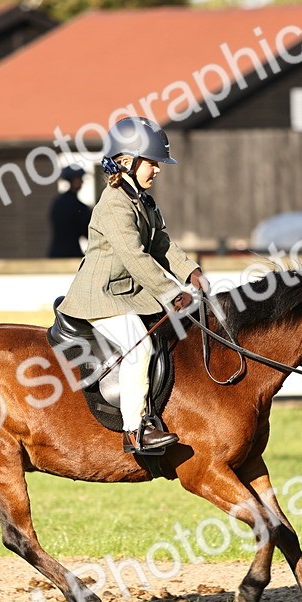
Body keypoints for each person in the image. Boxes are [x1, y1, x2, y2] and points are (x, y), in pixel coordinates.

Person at [58, 116, 208, 454]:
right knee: (139, 348)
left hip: (126, 296)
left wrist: (190, 272)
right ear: (127, 161)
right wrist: (171, 293)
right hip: (100, 297)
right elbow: (135, 258)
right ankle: (135, 431)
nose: (157, 170)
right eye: (152, 162)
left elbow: (162, 245)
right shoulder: (113, 205)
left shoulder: (140, 200)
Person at [48, 164, 92, 258]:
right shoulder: (79, 206)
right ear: (73, 180)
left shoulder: (57, 202)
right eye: (80, 179)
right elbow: (87, 232)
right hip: (72, 254)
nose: (82, 182)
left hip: (55, 253)